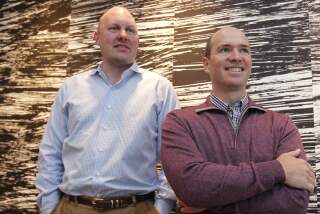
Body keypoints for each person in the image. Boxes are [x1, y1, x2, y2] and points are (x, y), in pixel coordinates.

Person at [36, 6, 179, 214]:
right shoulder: (71, 88)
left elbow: (172, 159)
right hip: (71, 208)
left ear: (138, 39)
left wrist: (161, 209)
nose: (123, 35)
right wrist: (49, 208)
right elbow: (50, 153)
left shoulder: (160, 89)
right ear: (97, 37)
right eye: (114, 28)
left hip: (136, 208)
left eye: (130, 30)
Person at [160, 26, 316, 214]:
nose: (236, 56)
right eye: (225, 49)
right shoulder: (179, 122)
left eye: (244, 50)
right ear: (206, 63)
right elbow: (191, 188)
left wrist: (211, 205)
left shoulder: (282, 125)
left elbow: (295, 202)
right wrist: (278, 169)